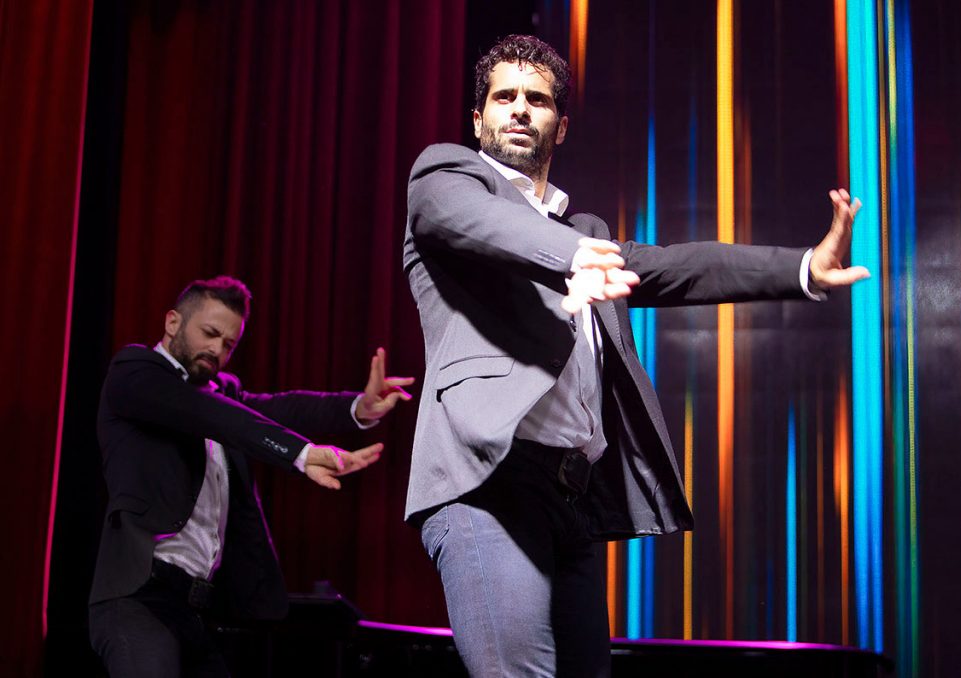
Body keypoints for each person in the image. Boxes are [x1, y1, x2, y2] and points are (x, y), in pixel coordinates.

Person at [402, 34, 868, 677]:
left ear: (561, 126)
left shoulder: (585, 233)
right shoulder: (445, 179)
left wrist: (804, 268)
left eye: (537, 100)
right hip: (487, 483)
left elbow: (681, 267)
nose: (520, 109)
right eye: (504, 97)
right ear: (478, 118)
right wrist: (571, 258)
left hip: (570, 499)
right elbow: (477, 222)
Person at [88, 275, 414, 677]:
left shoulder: (221, 396)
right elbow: (210, 414)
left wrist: (358, 408)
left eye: (229, 344)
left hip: (199, 611)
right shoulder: (136, 372)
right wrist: (301, 454)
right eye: (210, 334)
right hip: (138, 597)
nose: (217, 350)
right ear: (173, 322)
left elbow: (282, 410)